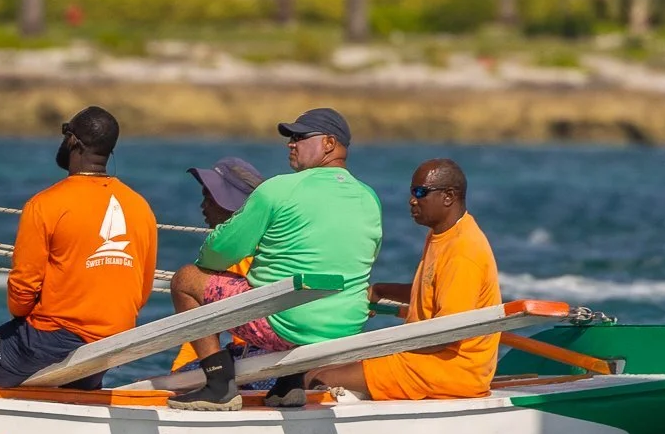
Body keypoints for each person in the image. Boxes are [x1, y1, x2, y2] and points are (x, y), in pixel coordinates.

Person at [166, 108, 382, 410]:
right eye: (289, 138)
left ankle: (218, 385)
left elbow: (218, 254)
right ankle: (288, 383)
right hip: (345, 326)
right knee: (293, 293)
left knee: (186, 279)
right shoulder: (369, 198)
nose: (290, 144)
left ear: (330, 144)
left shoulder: (279, 189)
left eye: (300, 137)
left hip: (285, 324)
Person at [0, 106, 157, 388]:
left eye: (65, 132)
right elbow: (142, 290)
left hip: (52, 339)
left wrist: (30, 318)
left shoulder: (45, 204)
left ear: (74, 141)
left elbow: (21, 293)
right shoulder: (140, 206)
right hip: (113, 340)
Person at [305, 158, 501, 400]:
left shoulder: (463, 250)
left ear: (448, 196)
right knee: (320, 366)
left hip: (452, 371)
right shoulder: (443, 234)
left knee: (317, 377)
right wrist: (380, 291)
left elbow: (449, 333)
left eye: (421, 192)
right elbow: (431, 291)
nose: (412, 200)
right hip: (427, 360)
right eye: (412, 192)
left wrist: (386, 348)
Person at [170, 157, 265, 370]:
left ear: (229, 203)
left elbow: (199, 324)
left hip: (256, 358)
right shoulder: (270, 240)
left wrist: (179, 374)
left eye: (209, 197)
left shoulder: (229, 254)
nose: (203, 206)